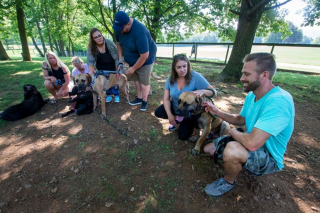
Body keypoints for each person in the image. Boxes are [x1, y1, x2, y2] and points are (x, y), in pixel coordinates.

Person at [202, 52, 295, 197]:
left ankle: (228, 181)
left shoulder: (279, 102)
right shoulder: (253, 94)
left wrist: (232, 132)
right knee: (208, 149)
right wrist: (216, 111)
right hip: (250, 140)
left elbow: (252, 144)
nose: (241, 78)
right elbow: (241, 119)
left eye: (246, 74)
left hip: (268, 157)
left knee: (232, 150)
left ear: (264, 75)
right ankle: (237, 160)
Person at [154, 54, 216, 140]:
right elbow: (166, 99)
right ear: (174, 68)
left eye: (184, 66)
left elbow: (214, 92)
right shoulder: (171, 78)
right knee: (158, 112)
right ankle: (177, 119)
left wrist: (203, 91)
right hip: (176, 107)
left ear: (188, 65)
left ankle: (186, 122)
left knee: (183, 136)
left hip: (190, 112)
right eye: (179, 67)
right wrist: (170, 115)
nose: (182, 70)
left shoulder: (196, 77)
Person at [113, 11, 157, 111]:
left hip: (146, 59)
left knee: (143, 81)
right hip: (133, 59)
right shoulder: (119, 28)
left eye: (121, 29)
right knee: (136, 79)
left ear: (128, 24)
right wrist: (120, 59)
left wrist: (133, 68)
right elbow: (118, 44)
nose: (120, 31)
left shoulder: (139, 31)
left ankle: (145, 101)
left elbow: (144, 55)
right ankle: (139, 98)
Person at [87, 28, 121, 103]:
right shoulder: (91, 47)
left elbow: (116, 58)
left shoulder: (109, 43)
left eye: (99, 36)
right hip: (101, 69)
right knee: (105, 82)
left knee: (114, 80)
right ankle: (108, 95)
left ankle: (116, 95)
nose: (99, 38)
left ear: (102, 35)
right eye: (96, 37)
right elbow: (90, 61)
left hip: (112, 67)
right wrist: (92, 69)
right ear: (93, 39)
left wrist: (117, 71)